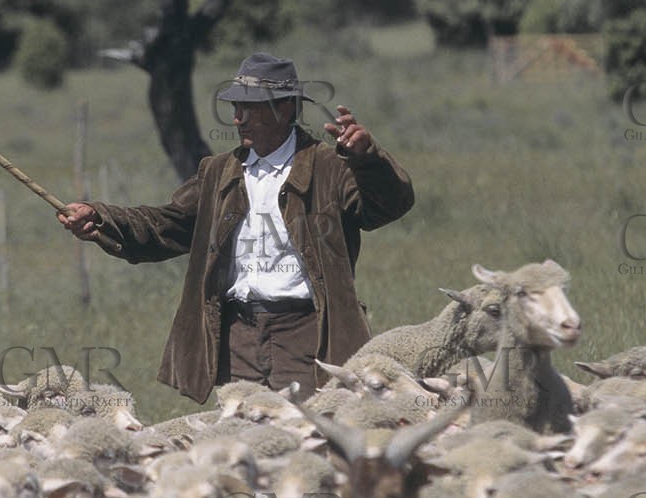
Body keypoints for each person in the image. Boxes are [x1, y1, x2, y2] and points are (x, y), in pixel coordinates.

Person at [57, 52, 414, 402]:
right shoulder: (218, 171)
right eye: (235, 107)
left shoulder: (330, 166)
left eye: (250, 107)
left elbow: (388, 206)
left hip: (308, 335)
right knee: (240, 441)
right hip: (236, 337)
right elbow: (167, 224)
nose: (238, 119)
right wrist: (101, 218)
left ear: (286, 108)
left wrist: (368, 160)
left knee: (309, 436)